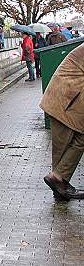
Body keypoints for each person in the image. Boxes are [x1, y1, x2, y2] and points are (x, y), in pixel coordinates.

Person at [40, 43, 84, 200]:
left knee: (69, 145)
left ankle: (60, 185)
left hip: (68, 102)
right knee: (62, 148)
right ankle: (59, 184)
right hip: (63, 102)